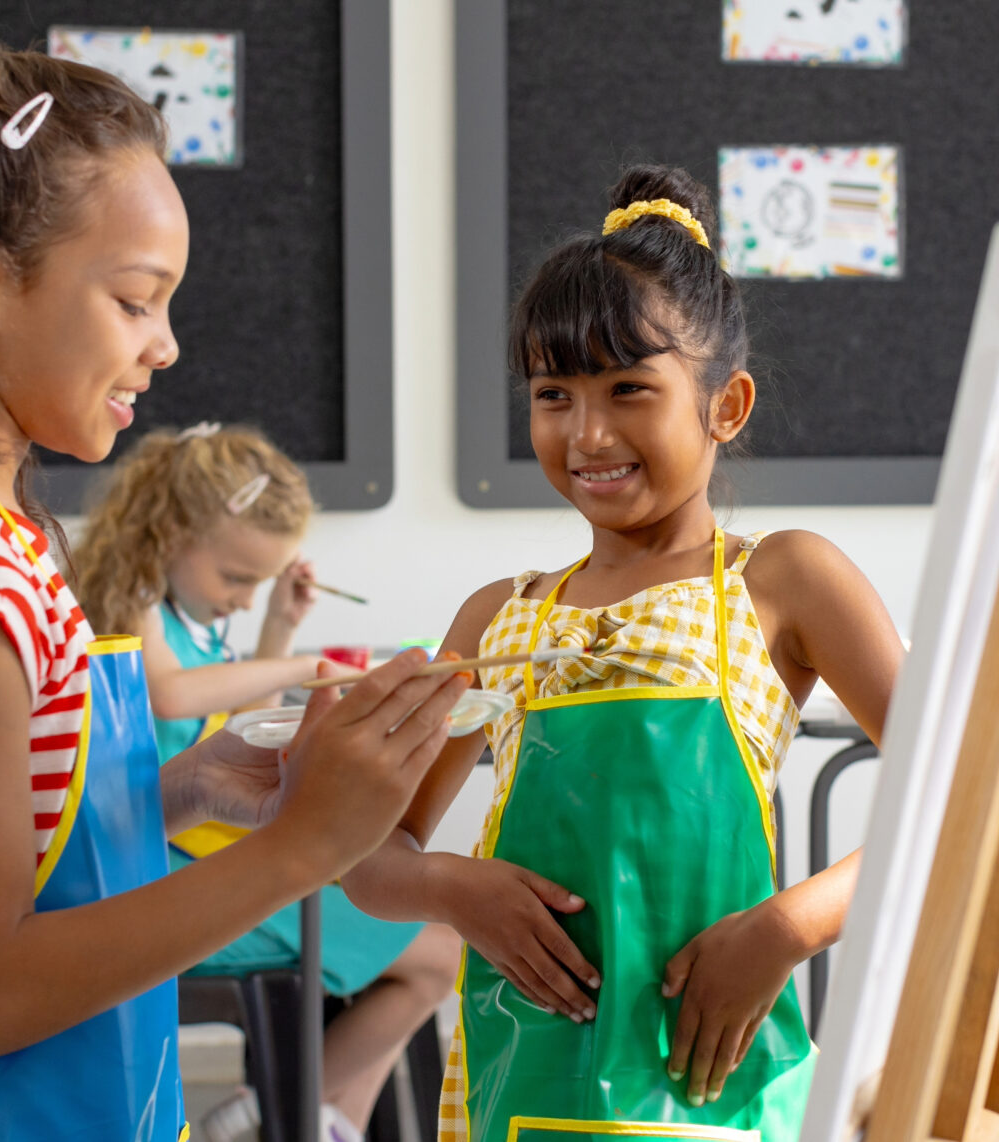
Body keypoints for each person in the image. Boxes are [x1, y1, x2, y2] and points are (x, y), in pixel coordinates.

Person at [0, 31, 468, 1142]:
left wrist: (193, 787)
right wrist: (301, 848)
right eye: (135, 299)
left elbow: (24, 847)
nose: (164, 348)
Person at [339, 166, 904, 1142]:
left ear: (725, 406)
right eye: (553, 392)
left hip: (710, 1072)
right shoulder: (494, 617)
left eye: (628, 389)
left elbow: (966, 797)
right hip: (521, 1075)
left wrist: (784, 930)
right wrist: (448, 886)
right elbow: (365, 856)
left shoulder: (783, 579)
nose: (587, 431)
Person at [77, 423, 463, 1142]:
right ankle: (282, 1111)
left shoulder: (200, 629)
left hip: (198, 858)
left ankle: (308, 1117)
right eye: (236, 578)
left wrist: (281, 628)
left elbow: (227, 730)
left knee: (430, 943)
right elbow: (171, 698)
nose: (242, 598)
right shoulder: (133, 602)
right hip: (158, 878)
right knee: (435, 951)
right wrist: (298, 669)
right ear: (168, 535)